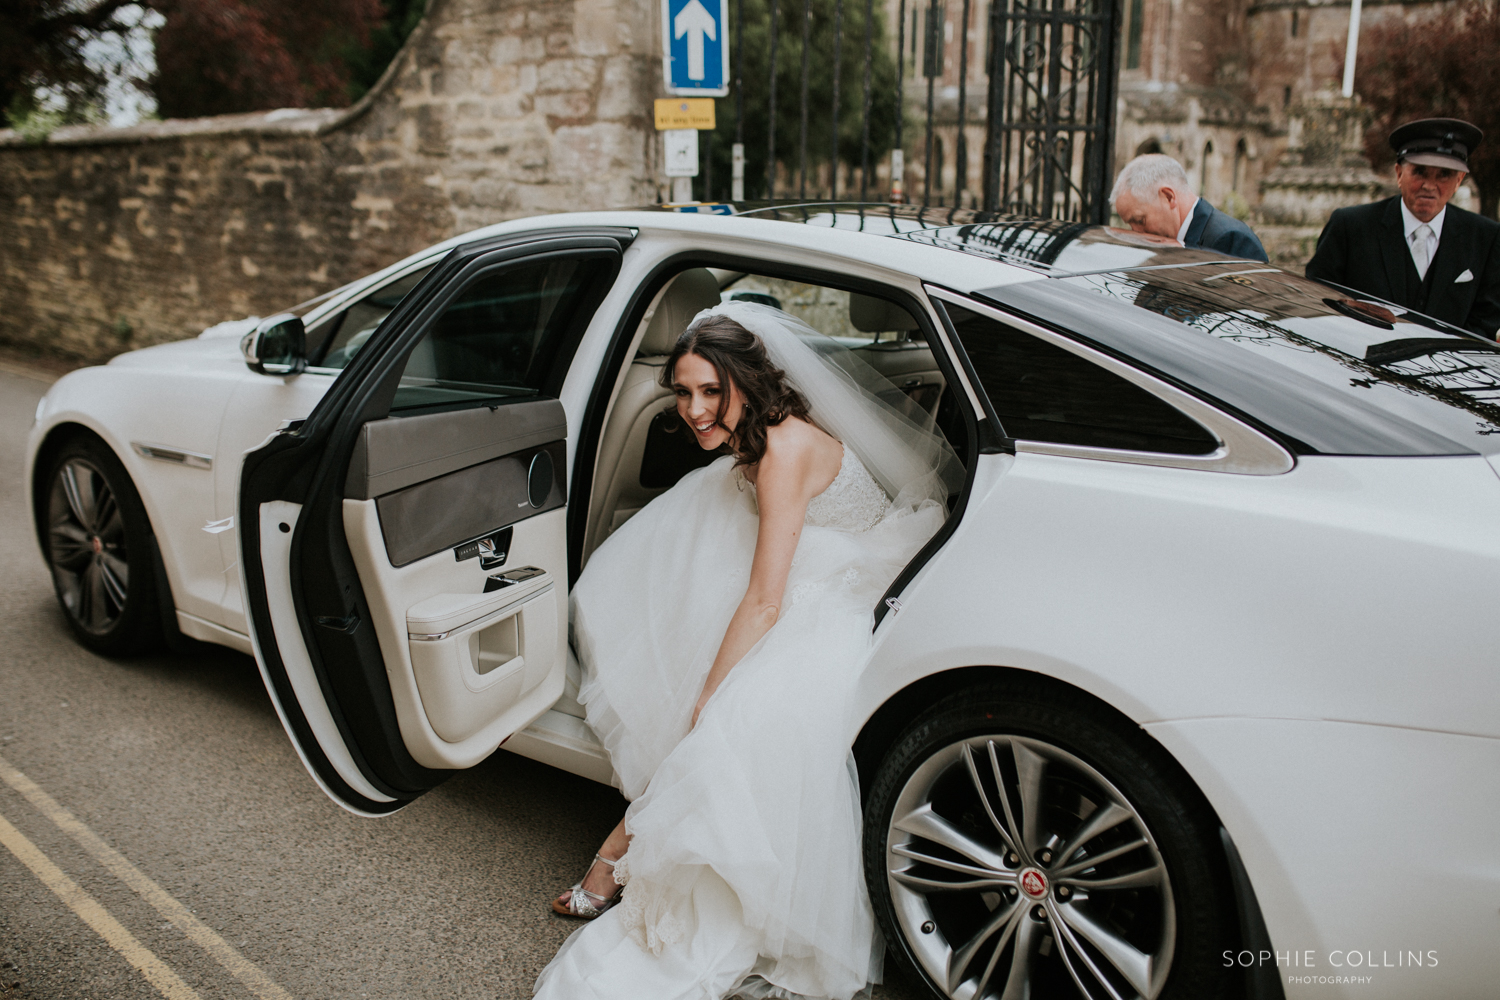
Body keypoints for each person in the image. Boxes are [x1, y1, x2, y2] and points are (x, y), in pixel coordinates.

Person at [533, 300, 961, 1000]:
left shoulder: (783, 453)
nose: (694, 409)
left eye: (710, 391)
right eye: (682, 391)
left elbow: (765, 600)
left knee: (721, 719)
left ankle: (612, 860)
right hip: (833, 561)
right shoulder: (769, 432)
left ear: (747, 382)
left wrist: (711, 691)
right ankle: (614, 858)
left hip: (839, 598)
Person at [1305, 117, 1500, 339]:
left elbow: (1486, 322)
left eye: (1444, 175)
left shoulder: (1486, 238)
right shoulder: (1351, 227)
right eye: (1419, 172)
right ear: (1399, 173)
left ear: (1459, 181)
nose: (1429, 185)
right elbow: (1317, 304)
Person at [1111, 153, 1269, 262]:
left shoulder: (1233, 241)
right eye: (1130, 225)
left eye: (1140, 220)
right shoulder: (1163, 241)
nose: (1135, 233)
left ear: (1168, 197)